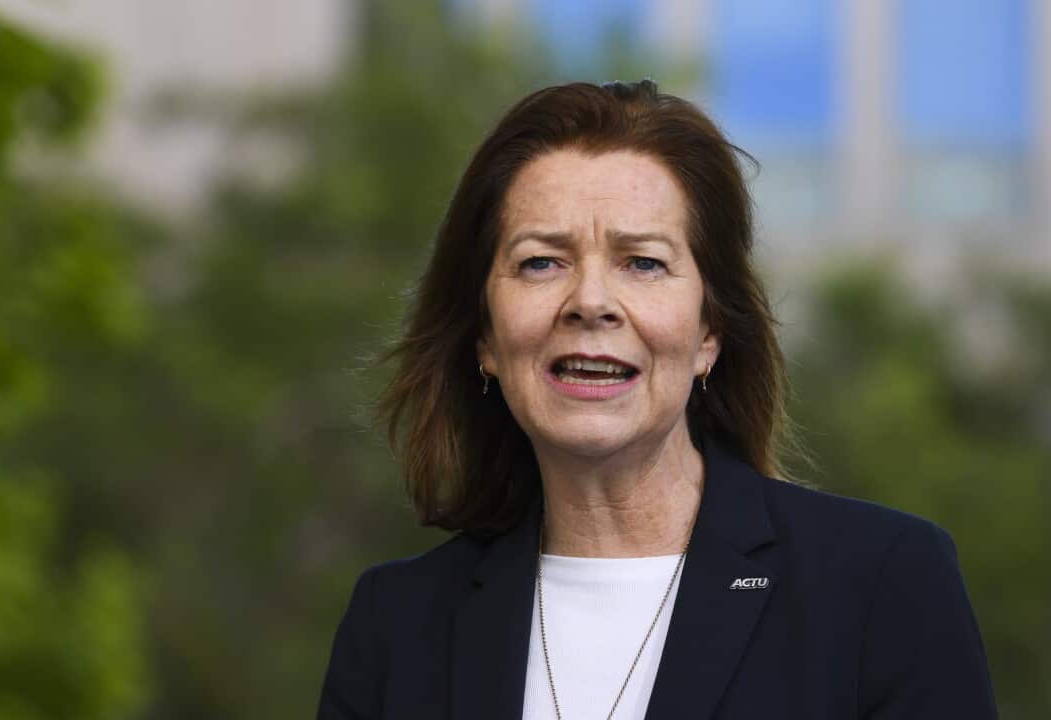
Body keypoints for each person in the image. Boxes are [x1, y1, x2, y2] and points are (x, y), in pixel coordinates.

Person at [316, 80, 997, 720]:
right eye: (540, 262)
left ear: (710, 332)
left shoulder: (882, 584)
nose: (589, 302)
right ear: (485, 337)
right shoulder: (396, 625)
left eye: (643, 262)